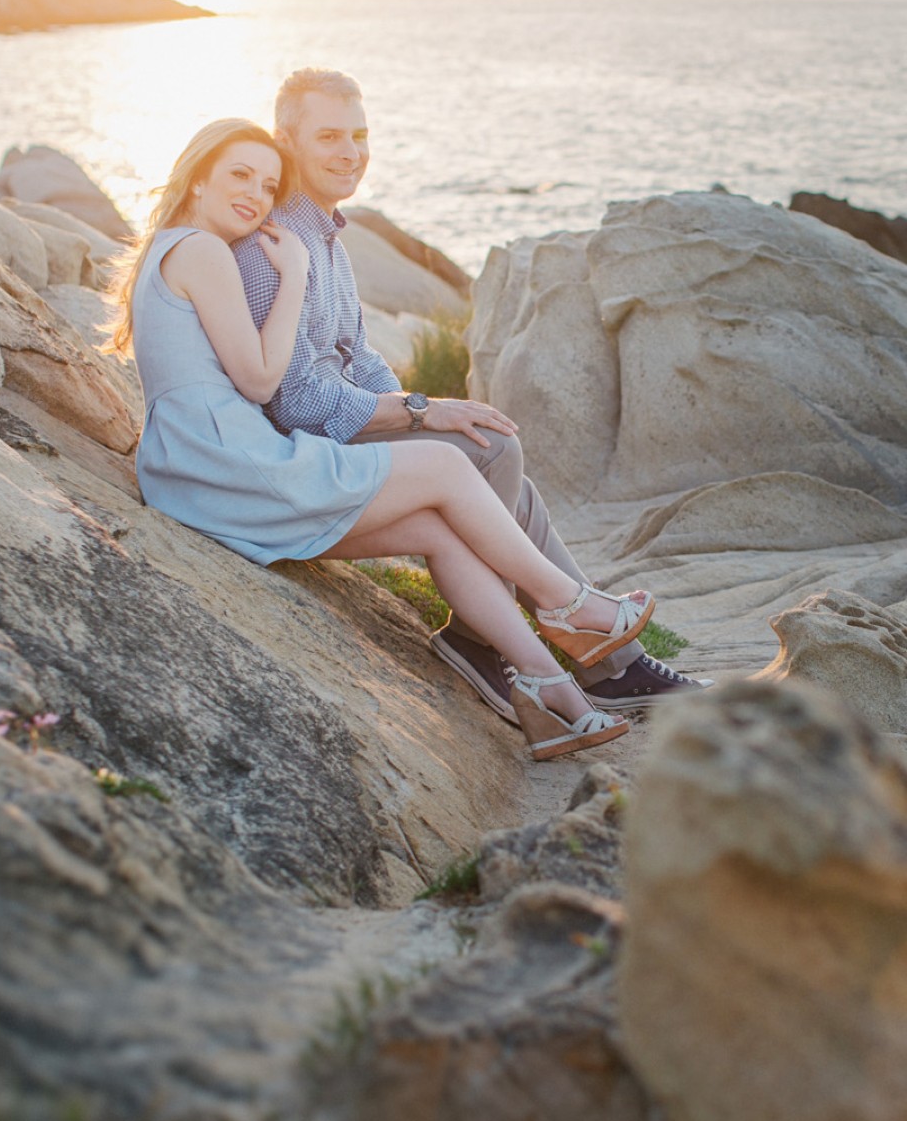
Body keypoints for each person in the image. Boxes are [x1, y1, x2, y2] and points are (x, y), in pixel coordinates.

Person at [113, 117, 660, 760]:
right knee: (445, 467)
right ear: (197, 176)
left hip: (200, 475)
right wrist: (295, 276)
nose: (255, 196)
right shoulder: (202, 251)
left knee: (437, 529)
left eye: (266, 185)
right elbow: (260, 381)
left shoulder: (175, 247)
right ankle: (567, 604)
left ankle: (549, 691)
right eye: (239, 175)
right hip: (227, 463)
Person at [234, 68, 711, 725]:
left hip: (339, 424)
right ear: (286, 142)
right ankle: (490, 639)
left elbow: (358, 354)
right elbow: (294, 401)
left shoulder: (326, 236)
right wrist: (420, 414)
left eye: (360, 135)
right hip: (305, 450)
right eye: (329, 137)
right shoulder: (274, 247)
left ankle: (610, 666)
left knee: (502, 468)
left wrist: (417, 409)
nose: (351, 152)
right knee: (489, 451)